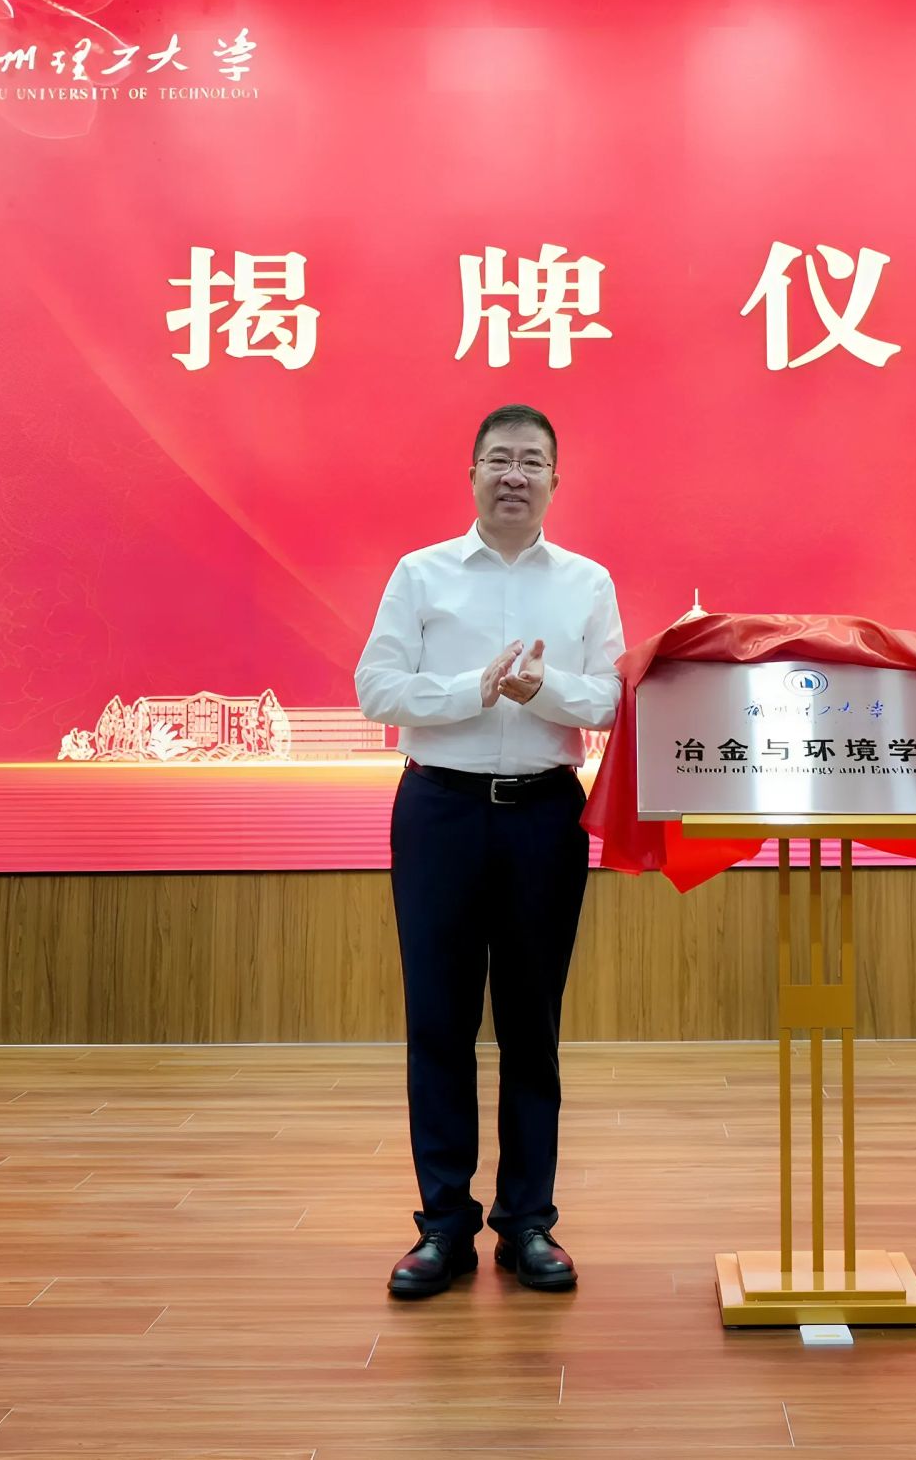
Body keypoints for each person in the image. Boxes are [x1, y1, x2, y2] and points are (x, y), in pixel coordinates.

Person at [354, 403, 625, 1299]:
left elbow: (611, 701)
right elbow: (376, 688)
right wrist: (476, 688)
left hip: (544, 816)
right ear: (471, 474)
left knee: (530, 1026)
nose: (515, 475)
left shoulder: (586, 582)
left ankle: (528, 1223)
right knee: (438, 1022)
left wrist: (541, 688)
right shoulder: (421, 573)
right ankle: (443, 1227)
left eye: (532, 462)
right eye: (499, 459)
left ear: (555, 480)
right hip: (439, 810)